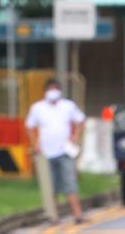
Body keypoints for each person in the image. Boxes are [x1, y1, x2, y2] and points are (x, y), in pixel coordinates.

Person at [25, 77, 87, 223]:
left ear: (59, 91)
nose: (52, 92)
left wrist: (75, 136)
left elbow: (80, 121)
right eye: (49, 89)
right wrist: (35, 144)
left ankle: (78, 215)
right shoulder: (37, 108)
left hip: (64, 150)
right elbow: (29, 126)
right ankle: (54, 216)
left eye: (55, 89)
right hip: (46, 153)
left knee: (70, 182)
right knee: (50, 186)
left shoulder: (68, 106)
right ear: (45, 91)